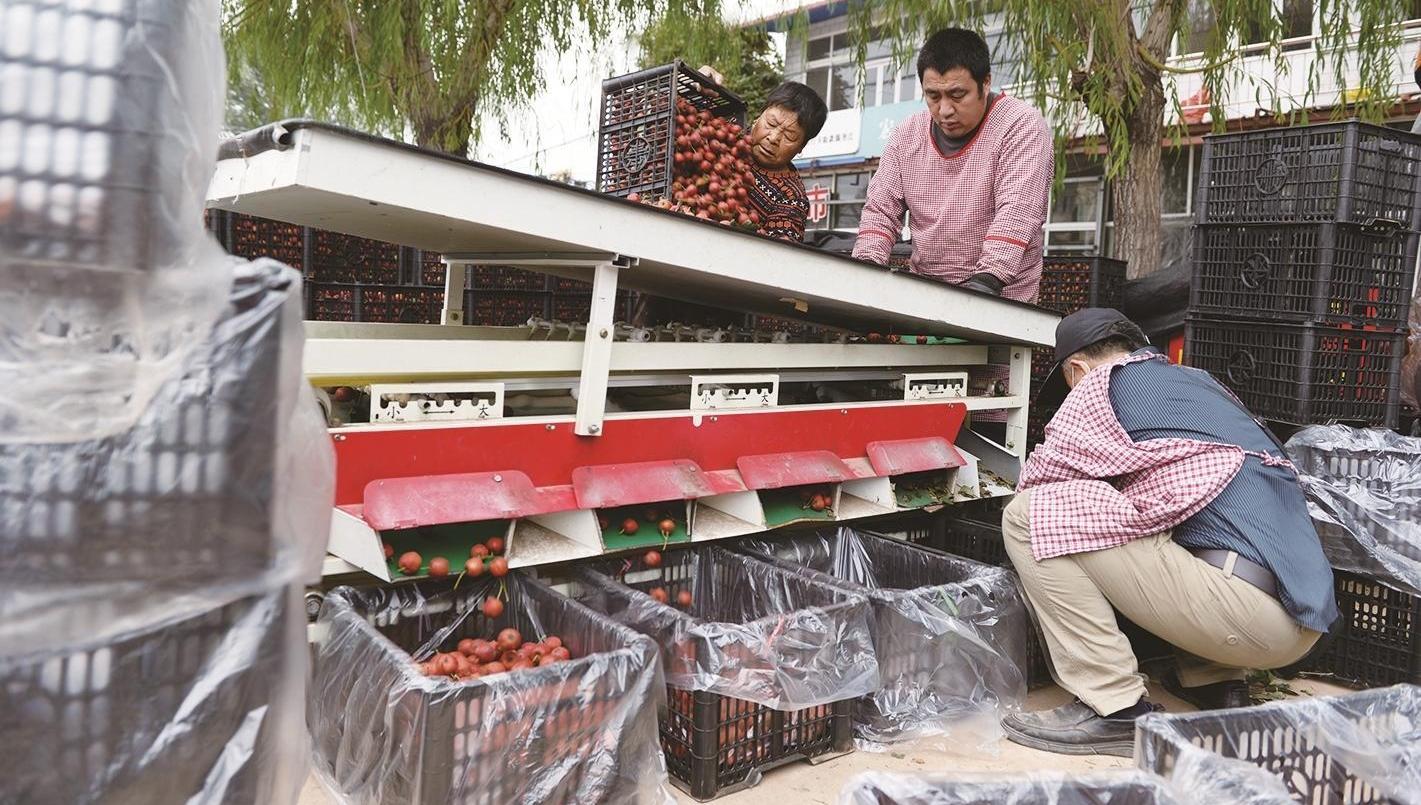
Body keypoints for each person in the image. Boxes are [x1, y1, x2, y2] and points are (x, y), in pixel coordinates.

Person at [998, 309, 1338, 757]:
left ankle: (1114, 708)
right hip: (1303, 620)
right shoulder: (1202, 385)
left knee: (1027, 517)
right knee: (1170, 513)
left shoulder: (1099, 387)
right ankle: (1216, 683)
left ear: (1076, 369)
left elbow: (1041, 484)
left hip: (1243, 615)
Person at [851, 27, 1052, 300]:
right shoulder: (906, 135)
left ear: (986, 83)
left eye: (958, 95)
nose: (944, 110)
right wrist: (867, 267)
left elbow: (1018, 211)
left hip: (1001, 297)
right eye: (933, 96)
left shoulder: (1020, 125)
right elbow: (880, 212)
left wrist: (986, 281)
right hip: (925, 292)